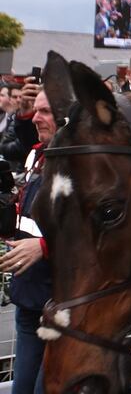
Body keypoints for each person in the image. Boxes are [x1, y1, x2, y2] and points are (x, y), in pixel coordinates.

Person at [0, 83, 54, 394]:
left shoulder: (82, 166)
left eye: (45, 112)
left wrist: (46, 247)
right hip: (27, 295)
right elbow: (28, 222)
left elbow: (97, 236)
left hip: (61, 305)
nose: (35, 118)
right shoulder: (37, 155)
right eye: (36, 110)